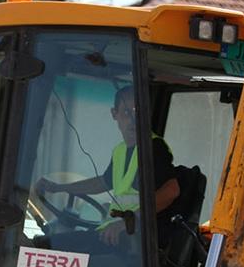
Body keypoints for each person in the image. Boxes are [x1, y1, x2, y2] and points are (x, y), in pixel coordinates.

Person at [36, 86, 180, 252]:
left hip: (136, 241)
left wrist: (130, 221)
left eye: (138, 113)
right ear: (114, 114)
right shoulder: (121, 151)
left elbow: (171, 190)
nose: (133, 120)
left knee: (45, 246)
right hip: (115, 235)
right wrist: (58, 188)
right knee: (48, 244)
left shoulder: (154, 147)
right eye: (127, 113)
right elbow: (103, 182)